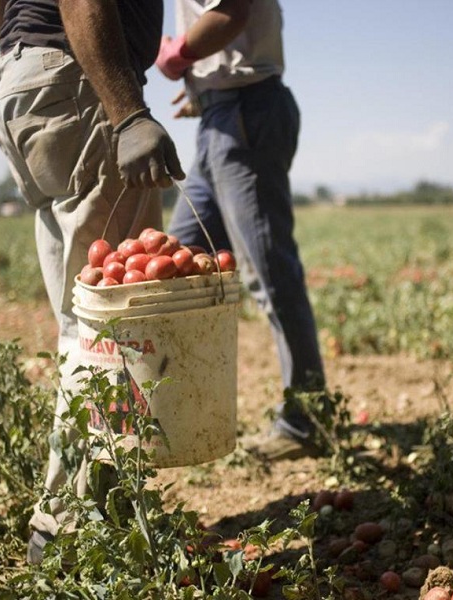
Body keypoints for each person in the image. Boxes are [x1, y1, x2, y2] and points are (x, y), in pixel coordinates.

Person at [0, 0, 184, 564]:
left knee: (83, 321)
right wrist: (127, 113)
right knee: (109, 328)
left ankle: (93, 509)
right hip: (80, 80)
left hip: (25, 83)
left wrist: (17, 60)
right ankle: (68, 530)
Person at [156, 0, 326, 461]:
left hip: (246, 110)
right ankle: (184, 413)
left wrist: (176, 56)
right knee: (179, 265)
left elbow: (231, 12)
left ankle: (305, 420)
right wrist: (204, 89)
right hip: (221, 115)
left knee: (269, 272)